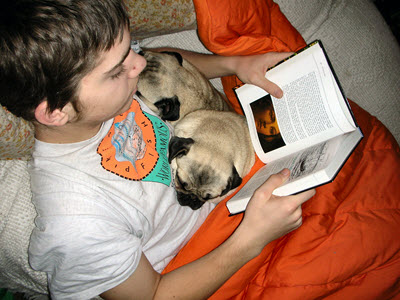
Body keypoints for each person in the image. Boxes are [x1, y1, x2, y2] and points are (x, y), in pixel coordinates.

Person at [0, 1, 315, 299]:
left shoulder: (107, 89)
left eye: (132, 47)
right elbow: (151, 295)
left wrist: (235, 64)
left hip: (248, 191)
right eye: (115, 71)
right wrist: (251, 239)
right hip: (220, 259)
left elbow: (162, 62)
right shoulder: (76, 219)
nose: (138, 63)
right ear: (56, 112)